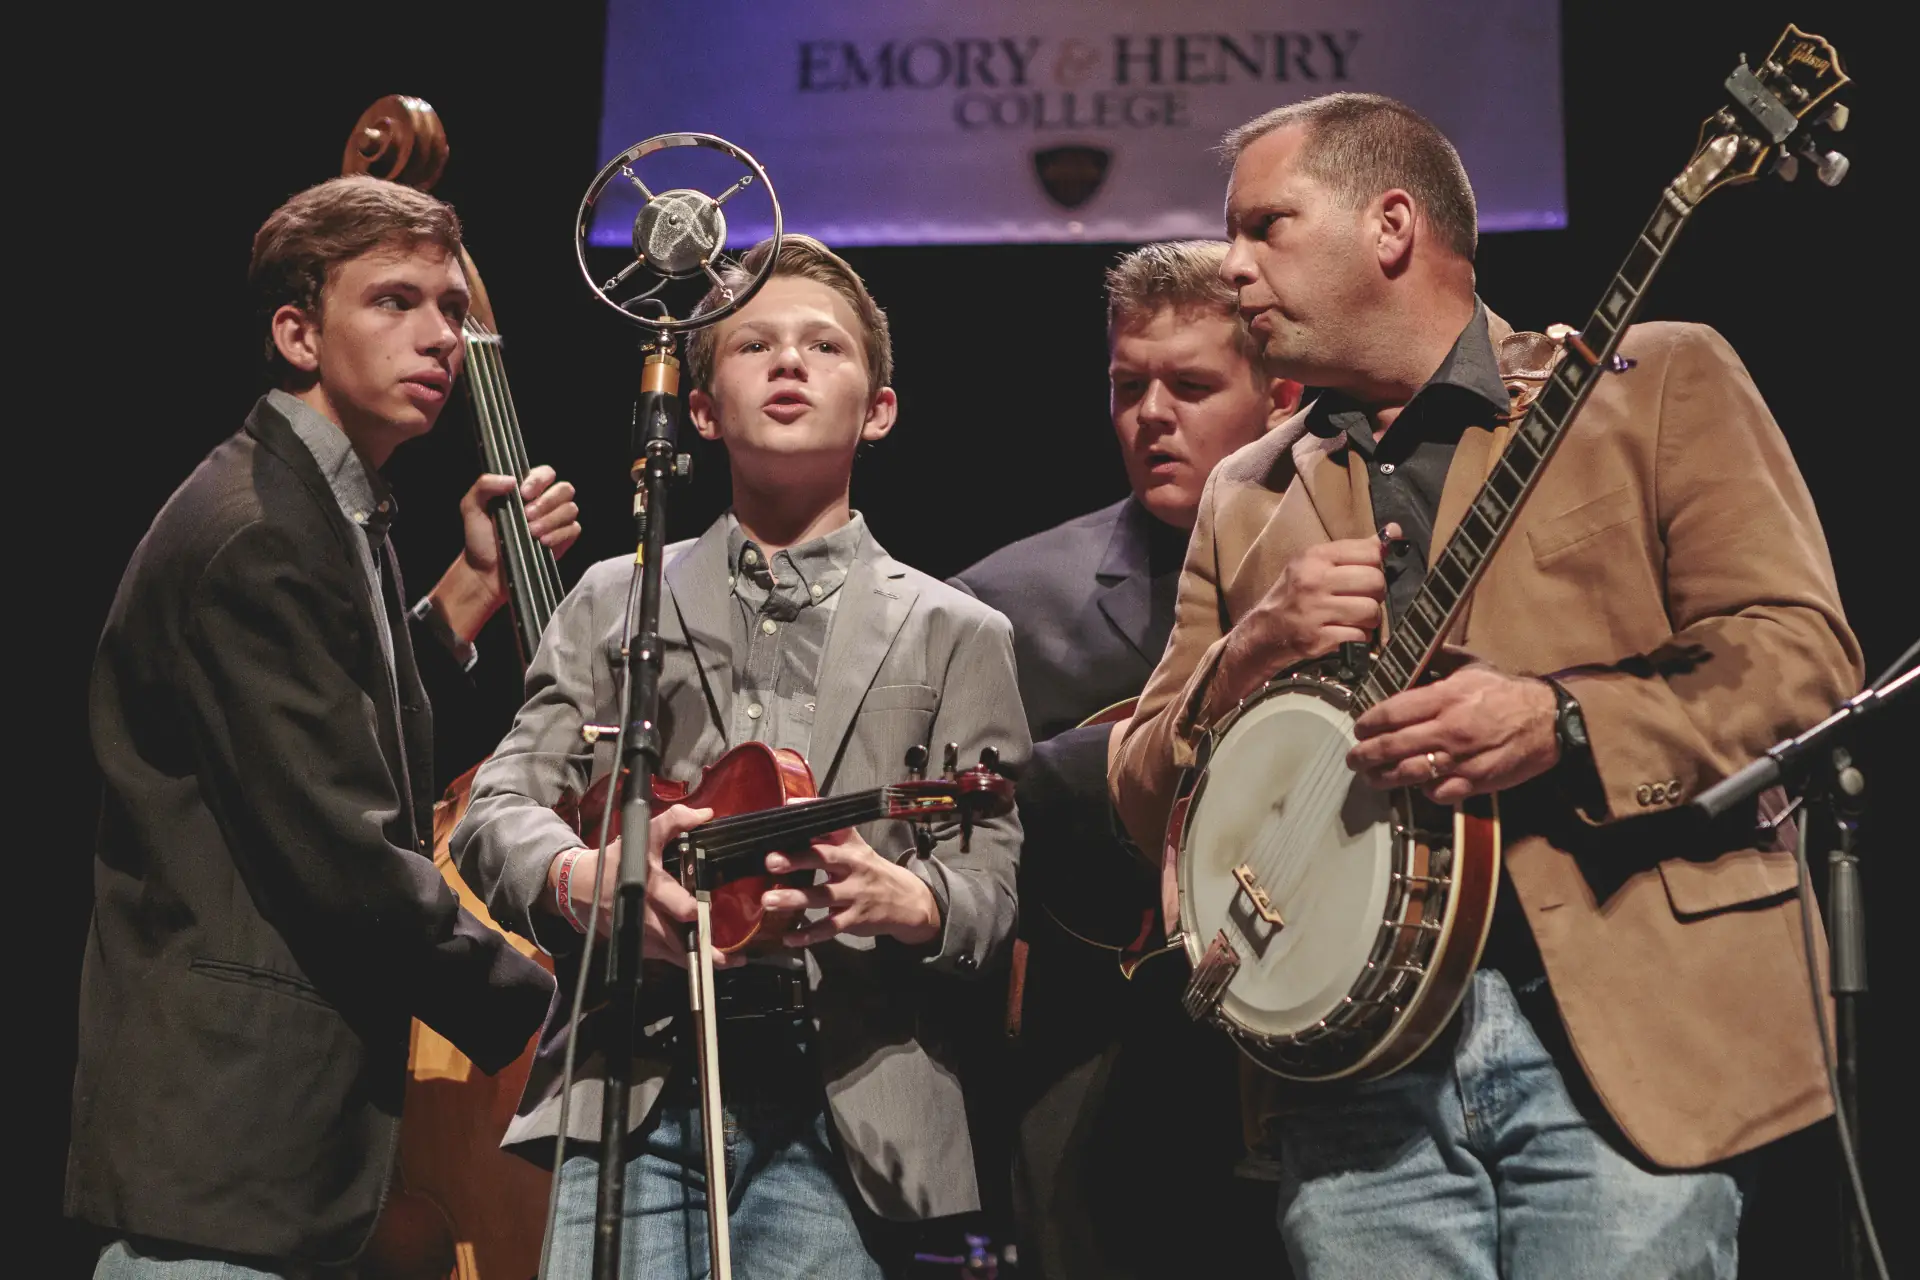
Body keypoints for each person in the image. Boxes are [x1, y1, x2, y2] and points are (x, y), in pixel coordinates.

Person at [1108, 93, 1861, 1279]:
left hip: (1627, 1037)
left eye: (1265, 226)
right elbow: (1142, 788)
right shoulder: (1245, 493)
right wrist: (1245, 649)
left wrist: (1563, 719)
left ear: (1390, 225)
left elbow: (1801, 659)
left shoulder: (1654, 381)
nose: (1230, 264)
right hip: (1353, 1076)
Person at [452, 234, 1029, 1279]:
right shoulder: (614, 597)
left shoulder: (959, 632)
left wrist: (909, 896)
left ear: (879, 410)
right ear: (703, 409)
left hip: (845, 1110)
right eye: (755, 344)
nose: (790, 360)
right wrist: (587, 876)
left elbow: (990, 891)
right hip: (636, 1083)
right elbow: (495, 808)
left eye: (824, 345)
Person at [71, 175, 582, 1276]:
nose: (442, 337)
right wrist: (556, 1000)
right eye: (396, 301)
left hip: (265, 1156)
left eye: (452, 307)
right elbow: (344, 853)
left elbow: (345, 728)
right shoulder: (260, 532)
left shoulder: (326, 507)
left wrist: (470, 590)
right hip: (227, 1148)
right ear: (298, 333)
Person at [950, 240, 1298, 1279]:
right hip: (1094, 1066)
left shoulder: (1354, 555)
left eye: (1190, 386)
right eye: (1127, 386)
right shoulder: (1004, 603)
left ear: (1281, 395)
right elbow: (955, 829)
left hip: (1309, 1042)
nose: (1151, 415)